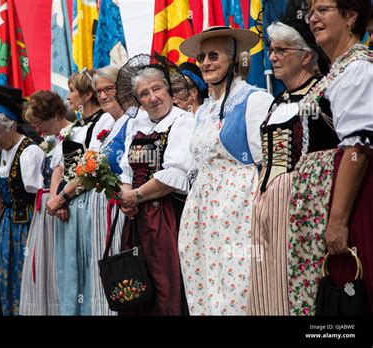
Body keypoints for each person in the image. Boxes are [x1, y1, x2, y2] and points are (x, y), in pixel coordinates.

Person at [178, 26, 273, 315]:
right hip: (202, 207)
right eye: (202, 56)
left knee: (236, 285)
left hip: (238, 206)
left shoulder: (254, 100)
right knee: (203, 287)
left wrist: (262, 210)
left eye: (214, 55)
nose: (206, 62)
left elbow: (266, 162)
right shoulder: (204, 110)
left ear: (234, 60)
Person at [247, 18, 339, 316]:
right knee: (265, 280)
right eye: (272, 50)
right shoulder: (278, 101)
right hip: (264, 202)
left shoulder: (324, 96)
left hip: (300, 204)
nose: (272, 57)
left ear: (306, 56)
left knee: (295, 283)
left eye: (281, 50)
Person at [287, 0, 373, 315]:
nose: (313, 18)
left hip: (353, 200)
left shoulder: (358, 69)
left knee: (352, 288)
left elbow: (357, 149)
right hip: (325, 200)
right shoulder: (338, 70)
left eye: (323, 9)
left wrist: (337, 222)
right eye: (311, 11)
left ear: (351, 16)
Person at [116, 54, 194, 315]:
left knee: (166, 283)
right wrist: (126, 196)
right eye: (144, 94)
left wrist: (135, 195)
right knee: (138, 285)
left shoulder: (183, 122)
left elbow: (174, 173)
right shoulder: (136, 126)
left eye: (156, 89)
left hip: (167, 216)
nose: (152, 97)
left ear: (169, 90)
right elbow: (126, 169)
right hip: (136, 217)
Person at [47, 69, 114, 315]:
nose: (68, 96)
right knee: (70, 266)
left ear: (87, 95)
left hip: (90, 199)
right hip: (68, 205)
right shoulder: (74, 128)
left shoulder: (104, 121)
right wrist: (57, 199)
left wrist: (63, 197)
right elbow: (60, 167)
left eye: (73, 90)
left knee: (89, 264)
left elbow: (92, 167)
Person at [0, 90, 44, 316]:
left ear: (12, 126)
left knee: (27, 277)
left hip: (29, 224)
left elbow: (39, 196)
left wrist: (40, 233)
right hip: (7, 224)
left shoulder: (30, 152)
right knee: (6, 279)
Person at [19, 90, 71, 315]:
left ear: (55, 116)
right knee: (43, 266)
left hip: (61, 208)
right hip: (46, 210)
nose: (37, 129)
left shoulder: (71, 136)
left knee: (58, 266)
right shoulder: (52, 141)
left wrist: (59, 200)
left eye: (40, 123)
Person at [89, 65, 133, 315]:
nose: (103, 96)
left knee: (124, 268)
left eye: (109, 89)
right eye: (99, 92)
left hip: (125, 204)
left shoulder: (133, 118)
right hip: (107, 206)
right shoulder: (109, 123)